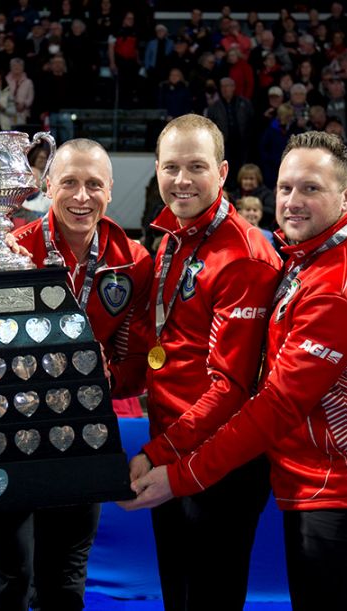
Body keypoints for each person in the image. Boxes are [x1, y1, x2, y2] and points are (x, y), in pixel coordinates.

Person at [122, 131, 347, 611]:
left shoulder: (342, 285)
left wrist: (177, 474)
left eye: (310, 188)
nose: (292, 202)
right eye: (285, 188)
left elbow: (273, 402)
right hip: (316, 485)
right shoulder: (308, 261)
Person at [0, 138, 153, 611]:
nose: (81, 196)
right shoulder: (12, 248)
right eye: (69, 182)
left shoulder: (133, 260)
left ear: (111, 191)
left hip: (84, 435)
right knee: (4, 580)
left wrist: (94, 377)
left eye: (94, 184)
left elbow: (136, 365)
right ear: (46, 186)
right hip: (8, 435)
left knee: (65, 581)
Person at [125, 114, 282, 611]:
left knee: (210, 598)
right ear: (156, 170)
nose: (182, 179)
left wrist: (156, 454)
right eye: (172, 167)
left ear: (223, 170)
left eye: (197, 166)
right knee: (179, 594)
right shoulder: (174, 236)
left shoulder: (244, 255)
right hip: (174, 449)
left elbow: (231, 386)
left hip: (219, 464)